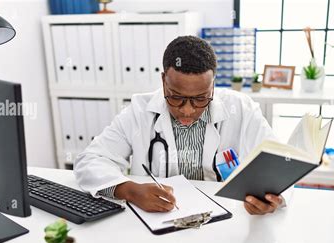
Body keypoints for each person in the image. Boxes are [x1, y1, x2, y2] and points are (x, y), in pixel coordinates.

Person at [74, 36, 289, 215]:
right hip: (160, 220)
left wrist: (271, 199)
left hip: (224, 220)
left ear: (213, 86)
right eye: (176, 97)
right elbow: (89, 160)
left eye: (201, 98)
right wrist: (129, 190)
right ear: (163, 80)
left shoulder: (241, 108)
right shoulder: (139, 111)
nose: (187, 110)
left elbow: (277, 165)